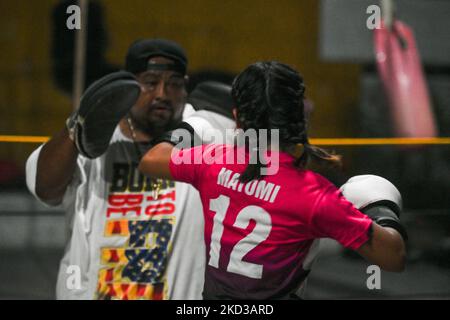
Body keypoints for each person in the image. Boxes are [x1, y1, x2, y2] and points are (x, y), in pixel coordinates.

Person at [139, 61, 407, 299]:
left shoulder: (210, 161)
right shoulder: (314, 195)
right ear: (301, 117)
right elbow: (394, 256)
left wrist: (194, 129)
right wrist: (380, 208)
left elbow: (151, 159)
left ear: (236, 119)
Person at [25, 38, 209, 300]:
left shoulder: (200, 133)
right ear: (129, 87)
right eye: (150, 82)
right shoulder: (95, 136)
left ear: (185, 88)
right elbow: (45, 188)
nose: (162, 94)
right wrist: (78, 127)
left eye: (174, 84)